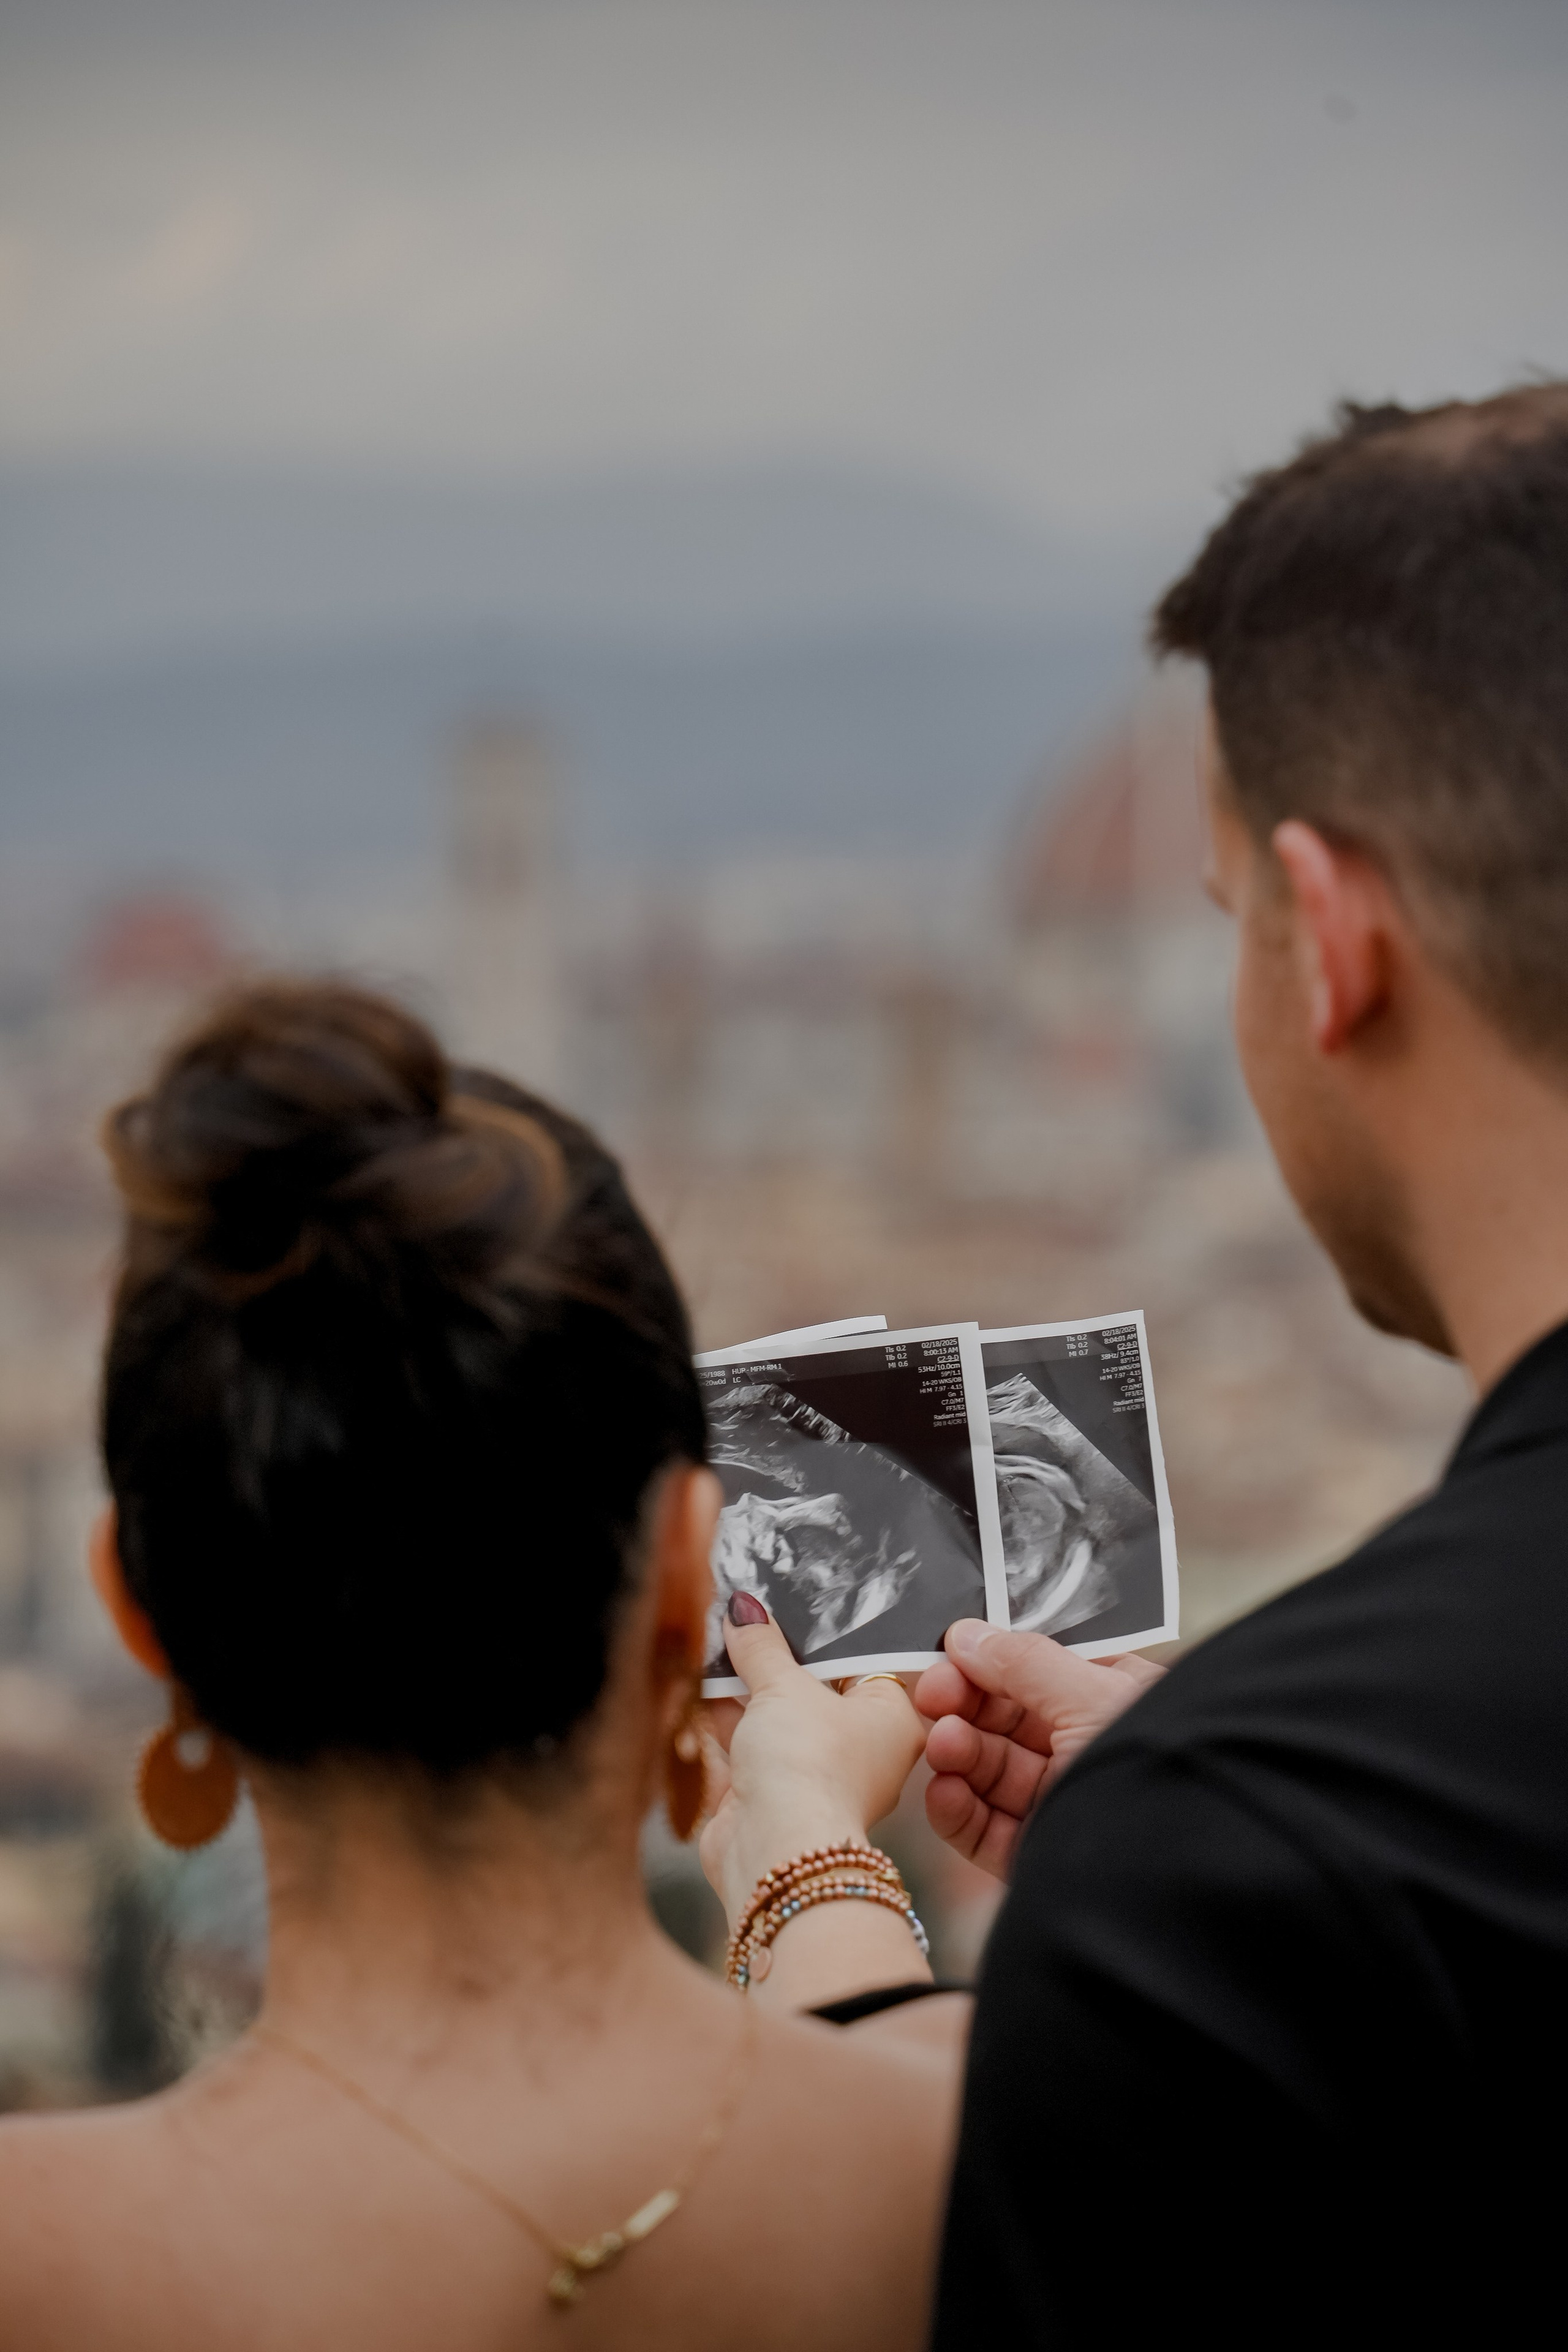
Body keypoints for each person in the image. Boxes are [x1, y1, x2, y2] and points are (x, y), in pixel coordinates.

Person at [715, 382, 1568, 2346]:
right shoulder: (1270, 1816)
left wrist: (807, 1860)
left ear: (1329, 940)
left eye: (1228, 924)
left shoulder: (1271, 1843)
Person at [0, 981, 957, 2352]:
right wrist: (809, 1848)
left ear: (138, 1612)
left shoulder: (41, 2266)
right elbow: (890, 2068)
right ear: (686, 1573)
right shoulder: (993, 2166)